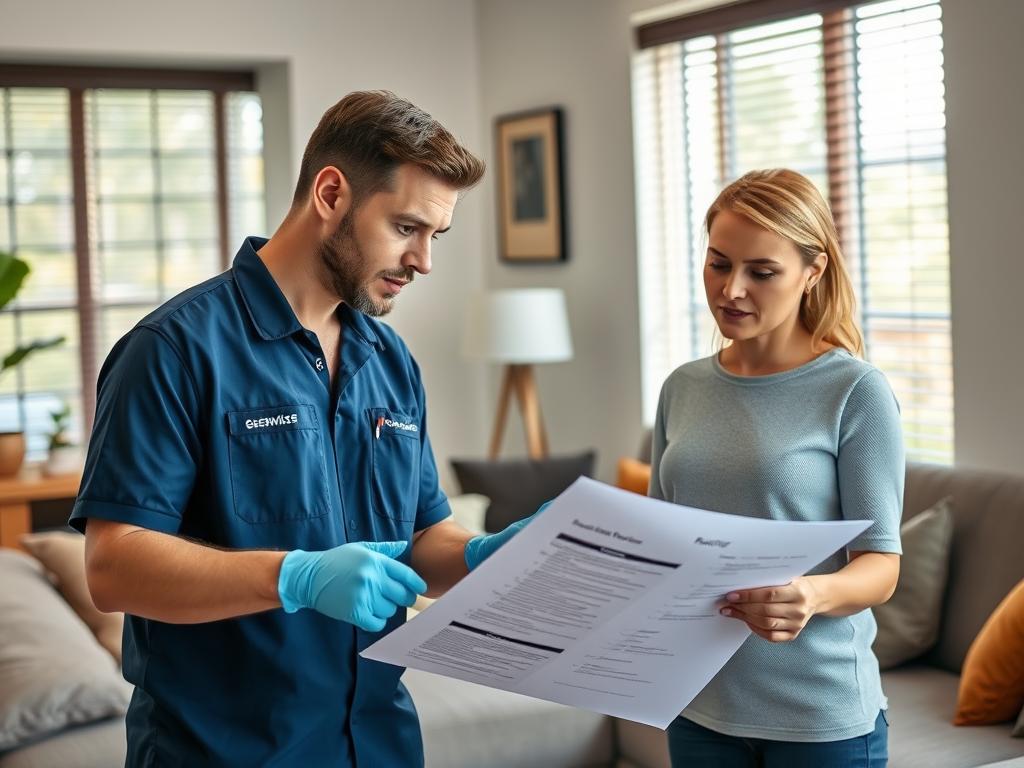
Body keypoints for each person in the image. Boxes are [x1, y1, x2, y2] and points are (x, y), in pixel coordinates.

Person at [71, 90, 536, 767]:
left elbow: (420, 536)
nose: (423, 261)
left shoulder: (391, 361)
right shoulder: (172, 351)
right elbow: (114, 567)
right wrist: (295, 576)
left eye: (435, 236)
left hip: (378, 747)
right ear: (331, 194)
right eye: (406, 227)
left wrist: (482, 558)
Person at [650, 169, 904, 767]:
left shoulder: (854, 391)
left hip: (819, 718)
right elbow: (661, 543)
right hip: (696, 705)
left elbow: (881, 567)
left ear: (812, 272)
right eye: (718, 263)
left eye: (761, 272)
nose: (731, 290)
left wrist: (811, 593)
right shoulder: (682, 387)